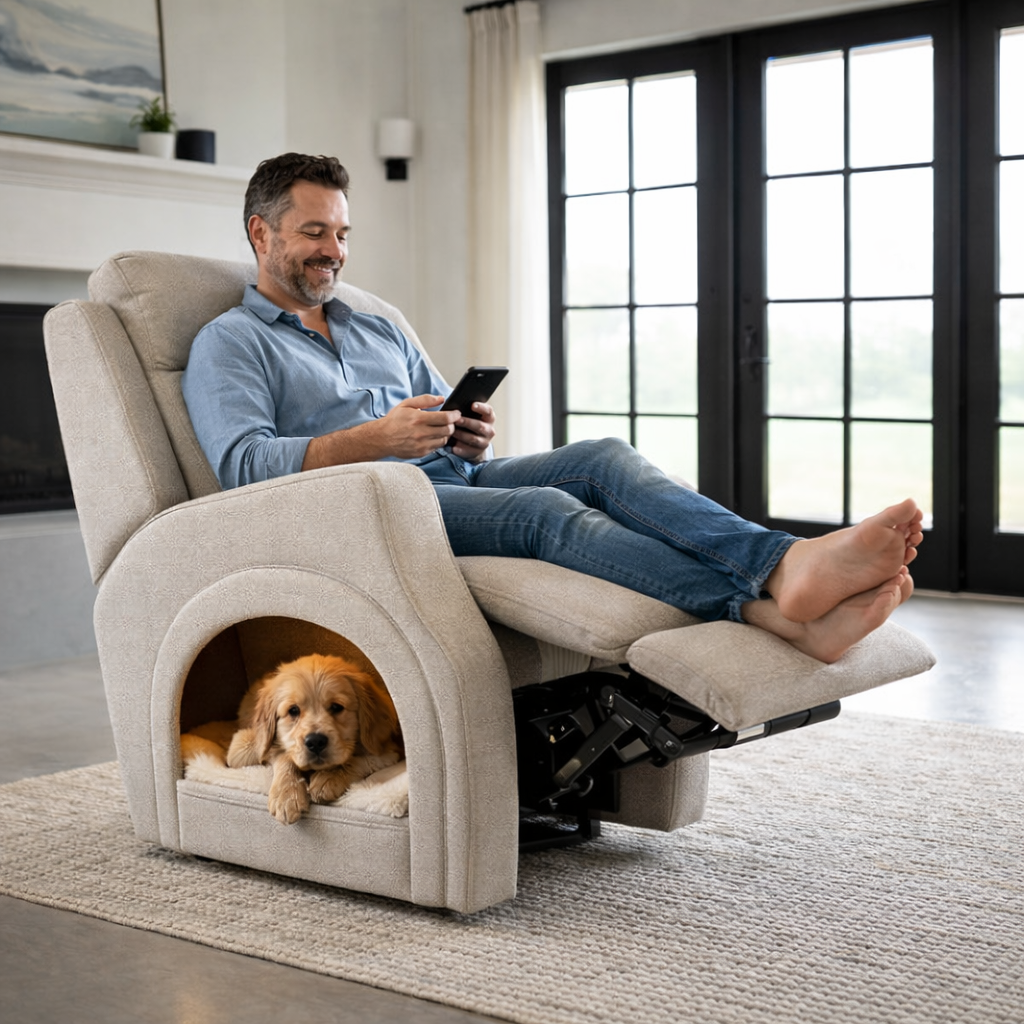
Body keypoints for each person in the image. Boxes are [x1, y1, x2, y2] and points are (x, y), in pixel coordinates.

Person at [182, 153, 923, 665]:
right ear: (261, 233)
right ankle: (770, 606)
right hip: (374, 510)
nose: (334, 250)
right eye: (315, 232)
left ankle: (783, 565)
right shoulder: (231, 342)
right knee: (544, 511)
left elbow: (436, 413)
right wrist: (379, 438)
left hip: (453, 480)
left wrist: (464, 432)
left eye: (342, 234)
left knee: (603, 459)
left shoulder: (375, 325)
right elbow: (244, 468)